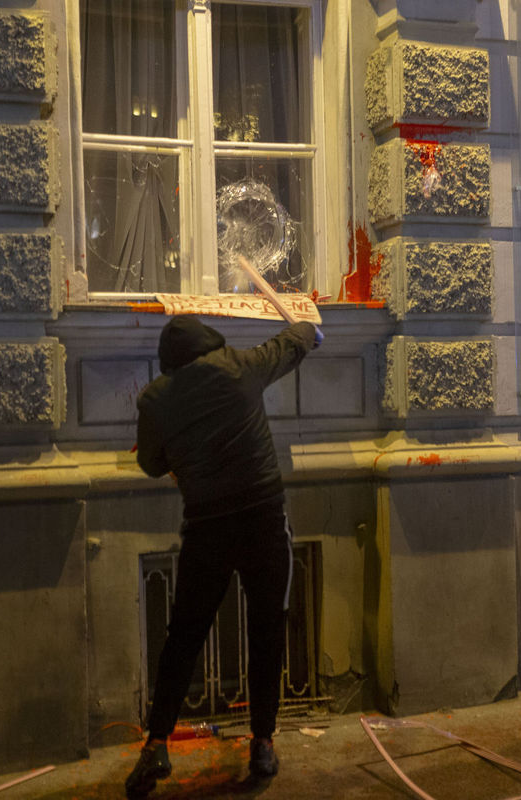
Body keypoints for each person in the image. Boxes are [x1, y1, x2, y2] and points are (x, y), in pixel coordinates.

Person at [125, 315, 321, 798]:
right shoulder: (239, 366)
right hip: (262, 516)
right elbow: (287, 344)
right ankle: (262, 742)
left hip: (207, 526)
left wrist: (178, 450)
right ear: (209, 342)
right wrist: (309, 329)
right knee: (267, 628)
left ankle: (155, 744)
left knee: (184, 636)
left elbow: (150, 464)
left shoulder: (156, 399)